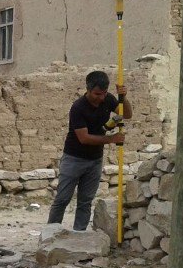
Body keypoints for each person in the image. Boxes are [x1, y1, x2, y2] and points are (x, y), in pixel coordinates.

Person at [48, 70, 132, 231]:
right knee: (62, 199)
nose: (100, 97)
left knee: (85, 201)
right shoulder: (78, 107)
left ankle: (79, 235)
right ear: (88, 89)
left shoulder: (107, 99)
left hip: (95, 160)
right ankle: (51, 235)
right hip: (73, 158)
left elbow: (126, 114)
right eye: (97, 94)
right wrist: (111, 139)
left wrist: (123, 98)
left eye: (104, 93)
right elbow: (84, 138)